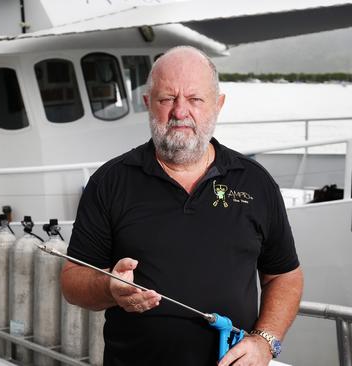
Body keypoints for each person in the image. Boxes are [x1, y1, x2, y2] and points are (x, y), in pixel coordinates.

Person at [61, 46, 303, 366]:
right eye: (166, 99)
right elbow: (72, 281)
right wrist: (108, 287)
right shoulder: (110, 182)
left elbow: (285, 277)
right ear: (148, 104)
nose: (179, 112)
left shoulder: (255, 182)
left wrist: (265, 341)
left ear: (218, 105)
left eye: (195, 99)